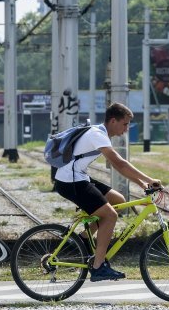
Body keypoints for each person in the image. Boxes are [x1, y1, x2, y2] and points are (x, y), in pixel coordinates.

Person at [53, 102, 162, 282]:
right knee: (110, 216)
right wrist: (150, 179)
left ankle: (83, 239)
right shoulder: (98, 135)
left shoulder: (100, 133)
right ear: (113, 121)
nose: (127, 129)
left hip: (77, 177)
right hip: (70, 181)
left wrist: (142, 184)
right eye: (125, 124)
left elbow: (119, 167)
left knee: (117, 200)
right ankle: (98, 267)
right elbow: (120, 163)